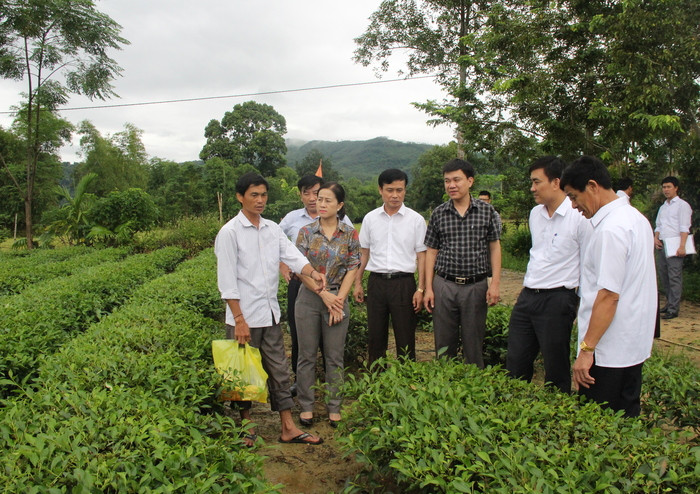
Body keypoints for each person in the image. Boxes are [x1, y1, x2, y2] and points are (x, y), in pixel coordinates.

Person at [215, 172, 324, 446]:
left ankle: (287, 426)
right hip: (244, 317)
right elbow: (227, 281)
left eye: (263, 195)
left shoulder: (272, 228)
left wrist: (311, 271)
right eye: (254, 195)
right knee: (243, 373)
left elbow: (292, 255)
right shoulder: (229, 233)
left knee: (279, 371)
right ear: (240, 197)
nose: (260, 200)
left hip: (270, 314)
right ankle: (248, 427)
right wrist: (239, 320)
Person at [561, 156, 656, 417]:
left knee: (599, 426)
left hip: (607, 352)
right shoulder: (635, 218)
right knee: (626, 421)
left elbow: (608, 296)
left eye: (573, 196)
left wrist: (586, 351)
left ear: (592, 186)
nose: (573, 205)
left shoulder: (610, 230)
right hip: (631, 345)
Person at [506, 156, 592, 393]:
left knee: (555, 366)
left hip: (558, 298)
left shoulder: (578, 217)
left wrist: (580, 303)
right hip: (528, 296)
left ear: (556, 182)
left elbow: (587, 264)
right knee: (516, 361)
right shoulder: (535, 214)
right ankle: (514, 411)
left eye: (537, 182)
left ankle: (557, 414)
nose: (532, 188)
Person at [423, 159, 502, 367]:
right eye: (447, 181)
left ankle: (474, 387)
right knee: (443, 343)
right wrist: (428, 288)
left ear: (470, 181)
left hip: (475, 286)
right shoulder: (439, 213)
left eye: (456, 180)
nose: (451, 185)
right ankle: (444, 386)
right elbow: (431, 252)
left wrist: (494, 284)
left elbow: (494, 247)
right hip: (444, 285)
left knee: (473, 343)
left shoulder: (487, 212)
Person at [295, 182, 360, 428]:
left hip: (337, 297)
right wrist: (324, 296)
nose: (321, 204)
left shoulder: (350, 234)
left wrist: (339, 300)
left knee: (334, 356)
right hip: (310, 298)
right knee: (307, 355)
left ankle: (335, 407)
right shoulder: (306, 232)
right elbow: (300, 268)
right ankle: (307, 406)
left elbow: (353, 267)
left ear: (340, 205)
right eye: (319, 199)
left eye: (327, 200)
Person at [278, 175, 353, 392]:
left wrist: (339, 297)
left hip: (336, 288)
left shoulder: (345, 226)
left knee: (331, 343)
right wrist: (283, 265)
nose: (314, 200)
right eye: (308, 193)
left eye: (318, 194)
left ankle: (327, 384)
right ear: (300, 195)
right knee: (300, 335)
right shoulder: (293, 220)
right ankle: (300, 384)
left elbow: (352, 262)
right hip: (302, 283)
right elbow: (278, 244)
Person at [353, 169, 427, 364]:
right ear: (380, 190)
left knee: (405, 334)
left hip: (404, 284)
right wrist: (358, 282)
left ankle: (407, 375)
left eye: (399, 190)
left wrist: (421, 288)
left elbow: (422, 256)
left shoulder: (416, 220)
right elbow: (364, 253)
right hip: (376, 282)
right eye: (390, 190)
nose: (395, 195)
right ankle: (376, 377)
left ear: (405, 190)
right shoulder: (370, 219)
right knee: (375, 334)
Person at [654, 176, 693, 320]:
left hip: (675, 243)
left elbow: (684, 227)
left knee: (674, 276)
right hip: (663, 244)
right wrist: (656, 238)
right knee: (664, 275)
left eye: (669, 187)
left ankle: (674, 308)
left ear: (676, 188)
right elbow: (659, 225)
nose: (666, 190)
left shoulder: (682, 205)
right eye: (664, 187)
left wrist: (682, 246)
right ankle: (669, 303)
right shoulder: (663, 207)